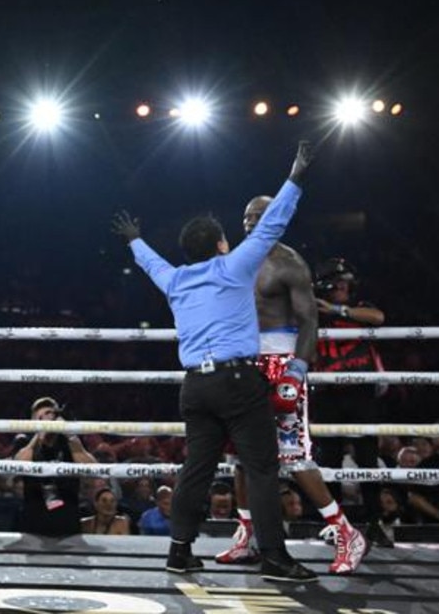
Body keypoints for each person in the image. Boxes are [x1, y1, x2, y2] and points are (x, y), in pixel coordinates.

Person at [112, 141, 318, 583]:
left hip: (195, 388)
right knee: (261, 468)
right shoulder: (235, 266)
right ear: (223, 243)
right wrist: (297, 174)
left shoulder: (176, 280)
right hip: (237, 382)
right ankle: (276, 559)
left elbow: (152, 265)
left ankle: (179, 551)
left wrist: (134, 240)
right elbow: (273, 222)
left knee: (196, 469)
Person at [213, 194, 367, 574]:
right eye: (247, 215)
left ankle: (345, 532)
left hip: (281, 361)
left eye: (260, 215)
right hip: (242, 362)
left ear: (278, 218)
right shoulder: (237, 261)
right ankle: (247, 534)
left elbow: (310, 320)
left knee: (294, 456)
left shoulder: (289, 262)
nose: (250, 222)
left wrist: (296, 369)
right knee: (239, 458)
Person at [312, 256, 387, 517]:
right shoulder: (311, 313)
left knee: (367, 458)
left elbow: (379, 317)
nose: (343, 288)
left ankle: (375, 521)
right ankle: (334, 523)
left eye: (345, 284)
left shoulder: (359, 309)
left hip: (360, 391)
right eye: (337, 284)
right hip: (325, 392)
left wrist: (337, 311)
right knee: (328, 459)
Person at [13, 397, 97, 537]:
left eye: (49, 414)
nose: (46, 419)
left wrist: (70, 433)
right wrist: (39, 436)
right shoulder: (26, 442)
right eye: (40, 417)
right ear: (33, 421)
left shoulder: (70, 441)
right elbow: (17, 467)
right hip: (34, 523)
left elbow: (93, 470)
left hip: (68, 522)